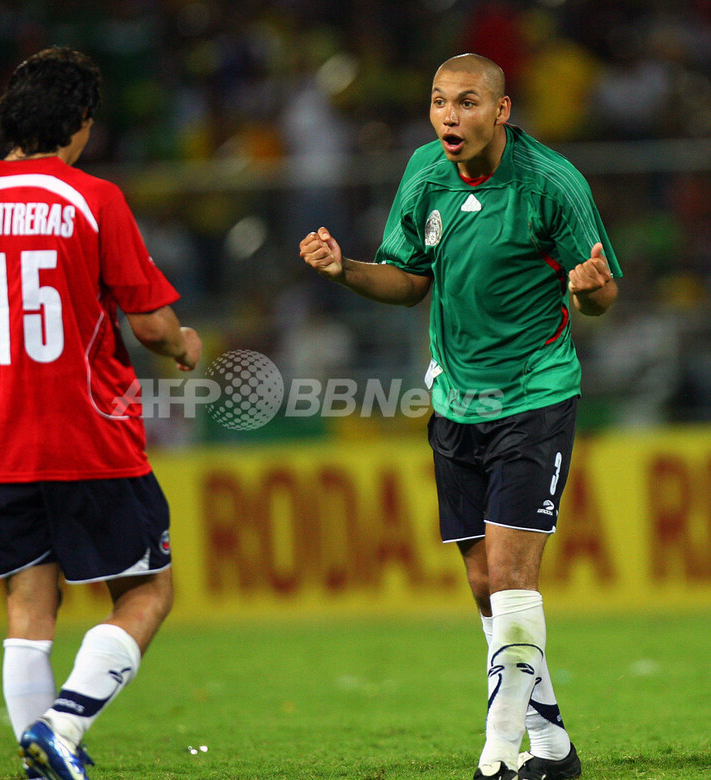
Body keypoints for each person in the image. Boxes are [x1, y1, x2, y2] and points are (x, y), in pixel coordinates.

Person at [299, 53, 620, 780]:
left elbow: (598, 295)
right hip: (454, 401)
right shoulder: (424, 172)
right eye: (440, 101)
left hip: (534, 397)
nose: (450, 115)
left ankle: (497, 757)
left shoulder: (552, 184)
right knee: (483, 583)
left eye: (468, 102)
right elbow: (410, 279)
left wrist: (591, 291)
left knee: (510, 574)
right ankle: (554, 750)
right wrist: (344, 270)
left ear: (502, 111)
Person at [0, 47, 201, 780]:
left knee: (28, 606)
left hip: (4, 439)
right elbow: (150, 323)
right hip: (91, 434)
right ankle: (64, 728)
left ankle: (40, 761)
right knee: (147, 591)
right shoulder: (92, 198)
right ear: (78, 123)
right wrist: (184, 342)